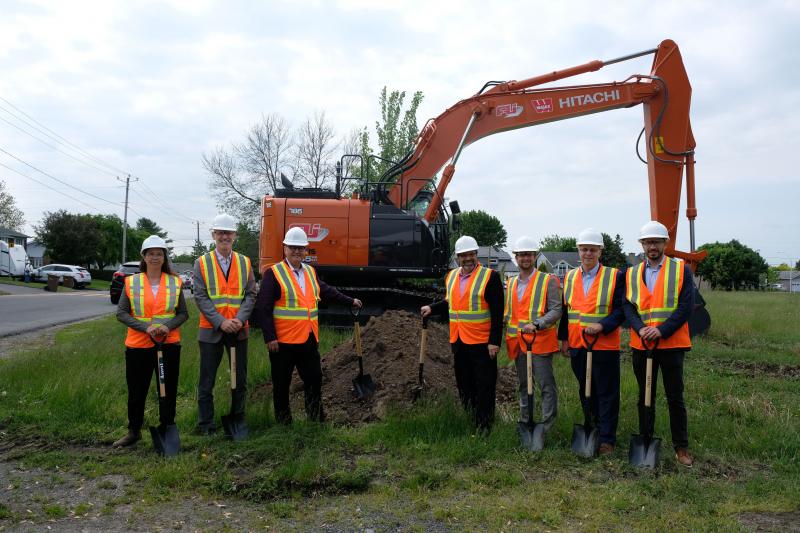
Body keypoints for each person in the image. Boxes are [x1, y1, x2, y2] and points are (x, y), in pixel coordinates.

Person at [255, 227, 362, 424]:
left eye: (301, 248)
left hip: (308, 339)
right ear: (285, 248)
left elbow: (328, 291)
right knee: (281, 384)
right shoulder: (274, 273)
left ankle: (315, 419)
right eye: (293, 247)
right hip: (283, 342)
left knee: (314, 380)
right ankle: (284, 423)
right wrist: (270, 337)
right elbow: (263, 308)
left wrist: (350, 300)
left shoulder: (311, 272)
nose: (297, 252)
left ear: (306, 251)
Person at [623, 220, 695, 467]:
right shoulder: (631, 273)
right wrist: (641, 328)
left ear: (665, 243)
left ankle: (681, 448)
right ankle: (645, 440)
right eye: (647, 242)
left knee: (675, 397)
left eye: (656, 241)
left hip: (671, 345)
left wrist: (661, 331)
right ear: (642, 245)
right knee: (645, 396)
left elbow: (686, 307)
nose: (652, 246)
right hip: (642, 345)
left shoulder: (681, 270)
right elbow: (628, 306)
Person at [421, 235, 504, 433]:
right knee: (464, 385)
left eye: (471, 254)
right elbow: (451, 302)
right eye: (463, 255)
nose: (467, 258)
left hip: (482, 343)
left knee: (484, 385)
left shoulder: (490, 277)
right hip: (458, 340)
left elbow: (497, 312)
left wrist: (494, 342)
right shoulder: (451, 276)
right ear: (457, 257)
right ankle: (472, 420)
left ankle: (485, 426)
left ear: (476, 254)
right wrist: (432, 308)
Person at [113, 235, 188, 448]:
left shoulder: (175, 282)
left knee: (167, 390)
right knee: (137, 391)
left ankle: (167, 427)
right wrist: (147, 328)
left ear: (164, 257)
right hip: (138, 346)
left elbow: (183, 313)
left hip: (168, 345)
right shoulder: (132, 282)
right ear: (144, 257)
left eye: (159, 253)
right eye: (151, 254)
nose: (155, 257)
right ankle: (133, 431)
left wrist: (167, 326)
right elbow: (121, 313)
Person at [558, 228, 626, 455]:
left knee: (606, 393)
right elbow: (567, 312)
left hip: (604, 346)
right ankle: (593, 428)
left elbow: (622, 310)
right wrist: (564, 338)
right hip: (578, 345)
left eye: (592, 249)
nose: (588, 253)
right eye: (584, 249)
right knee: (586, 390)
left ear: (600, 251)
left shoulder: (615, 276)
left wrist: (603, 326)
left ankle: (607, 439)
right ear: (578, 250)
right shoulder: (569, 277)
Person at [193, 214, 257, 435]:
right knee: (206, 381)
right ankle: (205, 425)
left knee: (239, 380)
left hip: (239, 330)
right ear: (213, 235)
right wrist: (221, 322)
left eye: (228, 233)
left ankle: (237, 419)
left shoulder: (245, 262)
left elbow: (251, 294)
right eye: (220, 232)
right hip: (211, 330)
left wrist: (239, 319)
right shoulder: (201, 263)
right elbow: (200, 297)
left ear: (235, 236)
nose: (224, 236)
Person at [504, 236, 562, 434]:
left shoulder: (548, 280)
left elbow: (556, 310)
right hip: (518, 343)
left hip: (540, 341)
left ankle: (547, 426)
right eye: (521, 255)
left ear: (535, 256)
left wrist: (537, 324)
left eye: (528, 254)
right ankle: (525, 422)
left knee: (546, 385)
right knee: (523, 384)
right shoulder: (510, 283)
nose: (525, 258)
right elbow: (510, 313)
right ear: (516, 257)